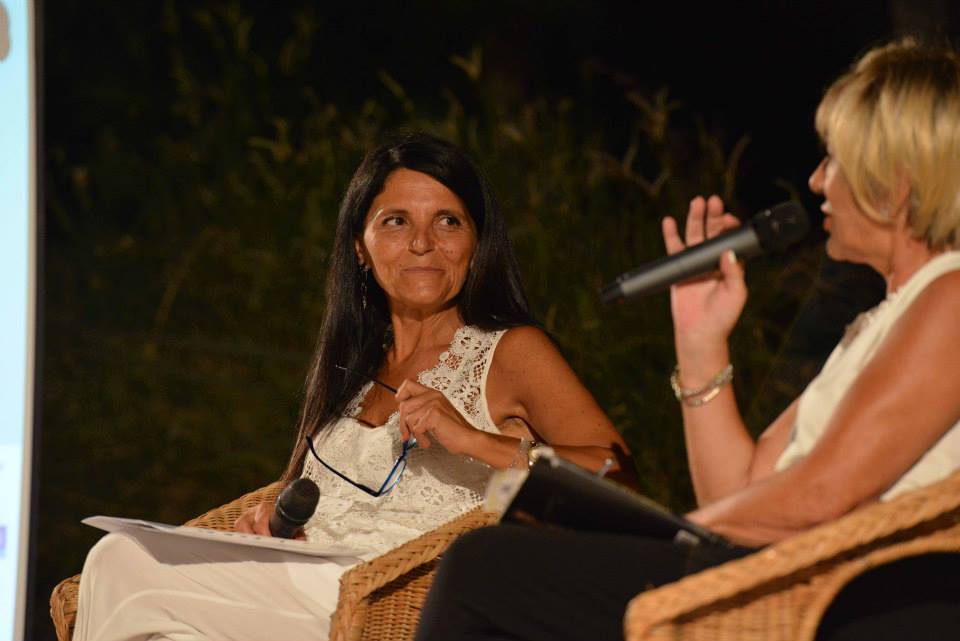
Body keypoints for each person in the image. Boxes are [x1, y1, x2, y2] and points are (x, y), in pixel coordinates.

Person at [414, 38, 960, 641]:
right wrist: (701, 340)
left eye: (835, 159)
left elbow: (820, 495)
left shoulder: (952, 295)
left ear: (897, 181)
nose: (816, 179)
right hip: (787, 574)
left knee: (485, 567)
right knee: (497, 565)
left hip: (853, 598)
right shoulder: (883, 320)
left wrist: (664, 532)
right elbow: (741, 489)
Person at [72, 132, 631, 641]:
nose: (422, 242)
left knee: (131, 576)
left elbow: (618, 478)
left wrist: (474, 440)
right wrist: (271, 527)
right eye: (396, 221)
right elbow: (307, 498)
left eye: (447, 221)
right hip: (299, 585)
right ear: (360, 247)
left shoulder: (509, 351)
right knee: (122, 564)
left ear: (477, 243)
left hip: (392, 599)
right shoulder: (351, 367)